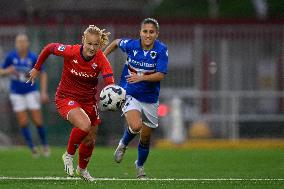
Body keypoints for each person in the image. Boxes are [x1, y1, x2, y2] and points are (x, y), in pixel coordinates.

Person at [27, 25, 114, 182]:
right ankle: (68, 155)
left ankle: (82, 170)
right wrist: (36, 68)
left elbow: (109, 80)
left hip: (88, 101)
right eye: (89, 43)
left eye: (96, 45)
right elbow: (49, 48)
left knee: (90, 139)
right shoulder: (71, 51)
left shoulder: (101, 59)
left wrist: (112, 93)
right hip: (66, 97)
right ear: (83, 41)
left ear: (99, 45)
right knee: (85, 126)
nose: (92, 48)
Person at [104, 18, 169, 179]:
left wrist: (141, 78)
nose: (148, 35)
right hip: (129, 92)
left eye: (151, 32)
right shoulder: (132, 45)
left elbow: (160, 75)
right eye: (145, 31)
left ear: (156, 34)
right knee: (135, 125)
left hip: (150, 98)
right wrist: (102, 57)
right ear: (140, 32)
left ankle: (139, 166)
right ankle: (123, 144)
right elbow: (116, 42)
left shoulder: (161, 50)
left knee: (145, 138)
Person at [0, 33, 50, 158]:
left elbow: (42, 73)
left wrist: (43, 92)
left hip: (31, 91)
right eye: (19, 41)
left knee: (37, 120)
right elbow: (1, 71)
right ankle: (32, 148)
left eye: (23, 41)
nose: (21, 44)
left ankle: (44, 145)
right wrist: (7, 71)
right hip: (16, 93)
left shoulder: (33, 57)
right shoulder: (10, 57)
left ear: (27, 43)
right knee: (23, 122)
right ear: (16, 44)